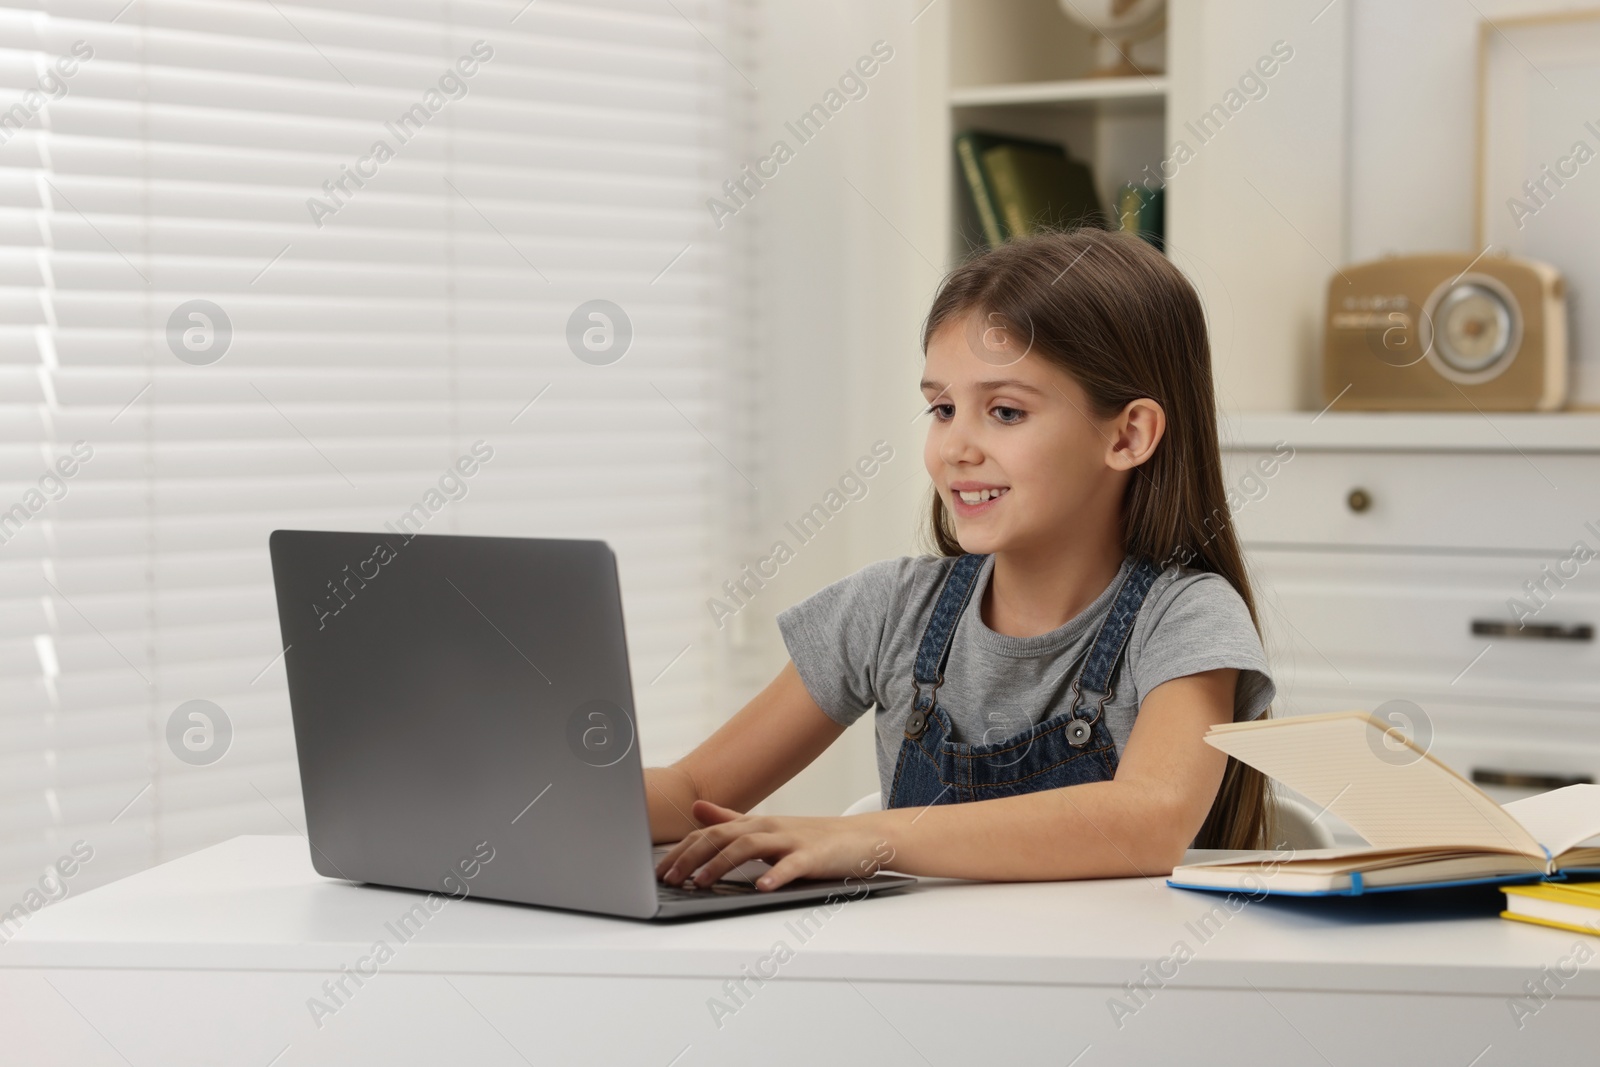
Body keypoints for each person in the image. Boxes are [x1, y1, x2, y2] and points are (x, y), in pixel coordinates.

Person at [647, 227, 1277, 892]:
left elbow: (1148, 819)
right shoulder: (890, 610)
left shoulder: (1185, 619)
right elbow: (690, 788)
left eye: (1004, 411)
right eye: (942, 408)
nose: (955, 446)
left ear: (1128, 434)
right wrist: (542, 795)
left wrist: (866, 836)